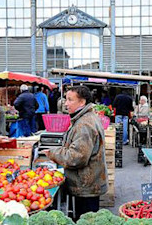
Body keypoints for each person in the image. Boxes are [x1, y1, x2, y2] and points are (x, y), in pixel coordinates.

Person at [41, 85, 107, 220]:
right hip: (87, 183)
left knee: (86, 220)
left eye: (70, 100)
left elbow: (76, 158)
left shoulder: (84, 124)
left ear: (82, 102)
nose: (66, 103)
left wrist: (53, 153)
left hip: (85, 186)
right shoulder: (84, 118)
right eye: (66, 99)